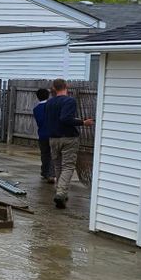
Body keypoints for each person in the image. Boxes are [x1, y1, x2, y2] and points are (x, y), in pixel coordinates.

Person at [44, 78, 94, 209]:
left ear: (54, 88)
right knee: (68, 166)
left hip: (53, 138)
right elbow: (65, 118)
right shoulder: (69, 101)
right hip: (68, 138)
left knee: (58, 166)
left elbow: (51, 120)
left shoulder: (49, 103)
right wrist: (83, 122)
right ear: (66, 86)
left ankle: (61, 192)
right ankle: (60, 193)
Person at [32, 87, 53, 183]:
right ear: (48, 96)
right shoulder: (51, 106)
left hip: (42, 134)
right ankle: (51, 174)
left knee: (44, 154)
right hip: (52, 133)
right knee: (53, 155)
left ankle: (44, 172)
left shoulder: (36, 109)